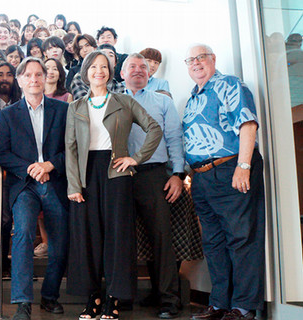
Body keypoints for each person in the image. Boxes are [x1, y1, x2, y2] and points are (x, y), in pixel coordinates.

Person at [65, 50, 162, 320]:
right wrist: (74, 184)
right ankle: (92, 297)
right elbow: (70, 148)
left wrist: (137, 158)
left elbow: (154, 128)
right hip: (85, 176)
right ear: (85, 73)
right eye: (94, 67)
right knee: (88, 238)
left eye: (104, 66)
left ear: (110, 71)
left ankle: (113, 298)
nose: (99, 71)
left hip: (116, 174)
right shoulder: (75, 107)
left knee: (118, 238)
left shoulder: (123, 101)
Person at [184, 44, 265, 320]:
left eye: (201, 58)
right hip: (202, 177)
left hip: (231, 167)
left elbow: (248, 124)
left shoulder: (229, 84)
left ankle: (243, 308)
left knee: (241, 239)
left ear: (212, 60)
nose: (196, 63)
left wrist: (244, 165)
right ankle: (219, 304)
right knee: (214, 243)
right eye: (191, 60)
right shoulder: (192, 98)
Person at [0, 57, 70, 320]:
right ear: (20, 80)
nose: (34, 79)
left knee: (59, 243)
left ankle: (49, 295)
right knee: (23, 234)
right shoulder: (8, 114)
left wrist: (49, 165)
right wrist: (31, 168)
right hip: (24, 185)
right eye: (28, 75)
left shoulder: (62, 110)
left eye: (39, 74)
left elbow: (71, 150)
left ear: (46, 77)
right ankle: (22, 301)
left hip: (55, 182)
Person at [121, 53, 185, 319]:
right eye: (132, 67)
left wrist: (178, 174)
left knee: (161, 237)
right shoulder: (114, 101)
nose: (138, 70)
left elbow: (174, 137)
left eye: (143, 67)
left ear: (150, 73)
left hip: (154, 175)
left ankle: (168, 299)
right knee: (122, 238)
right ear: (122, 73)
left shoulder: (162, 101)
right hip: (121, 176)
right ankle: (122, 295)